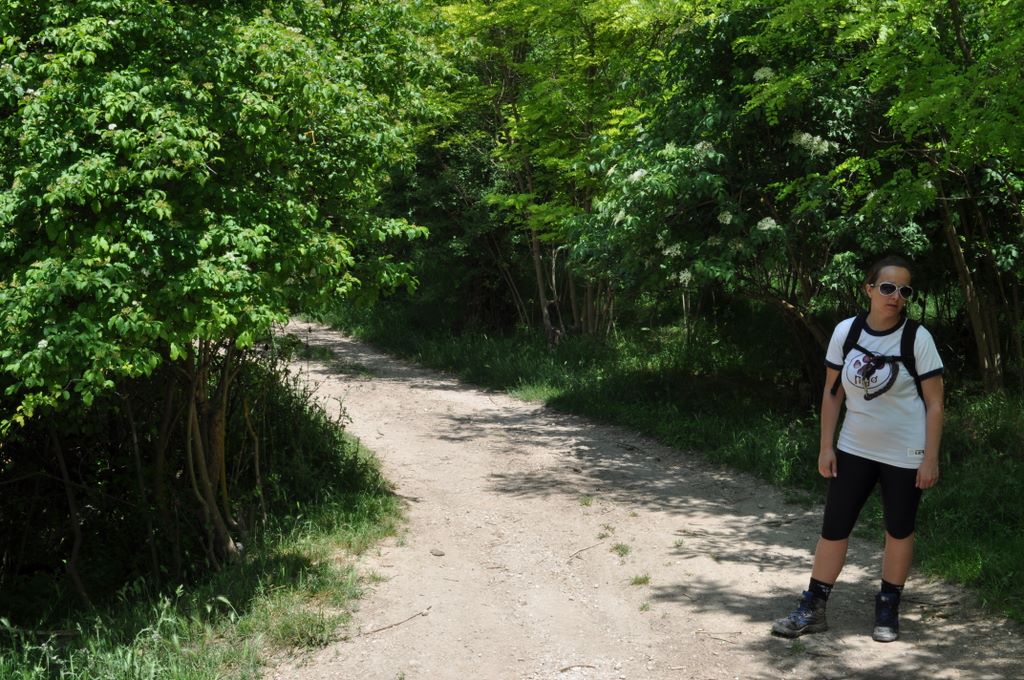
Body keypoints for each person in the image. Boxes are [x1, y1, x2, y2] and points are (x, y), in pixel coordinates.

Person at [771, 255, 944, 642]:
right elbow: (832, 393)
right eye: (887, 287)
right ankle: (813, 607)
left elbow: (935, 404)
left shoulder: (917, 339)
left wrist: (930, 458)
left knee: (898, 530)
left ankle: (888, 608)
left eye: (904, 290)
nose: (895, 296)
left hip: (905, 453)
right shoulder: (846, 332)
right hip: (853, 448)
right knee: (834, 527)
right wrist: (826, 446)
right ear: (869, 289)